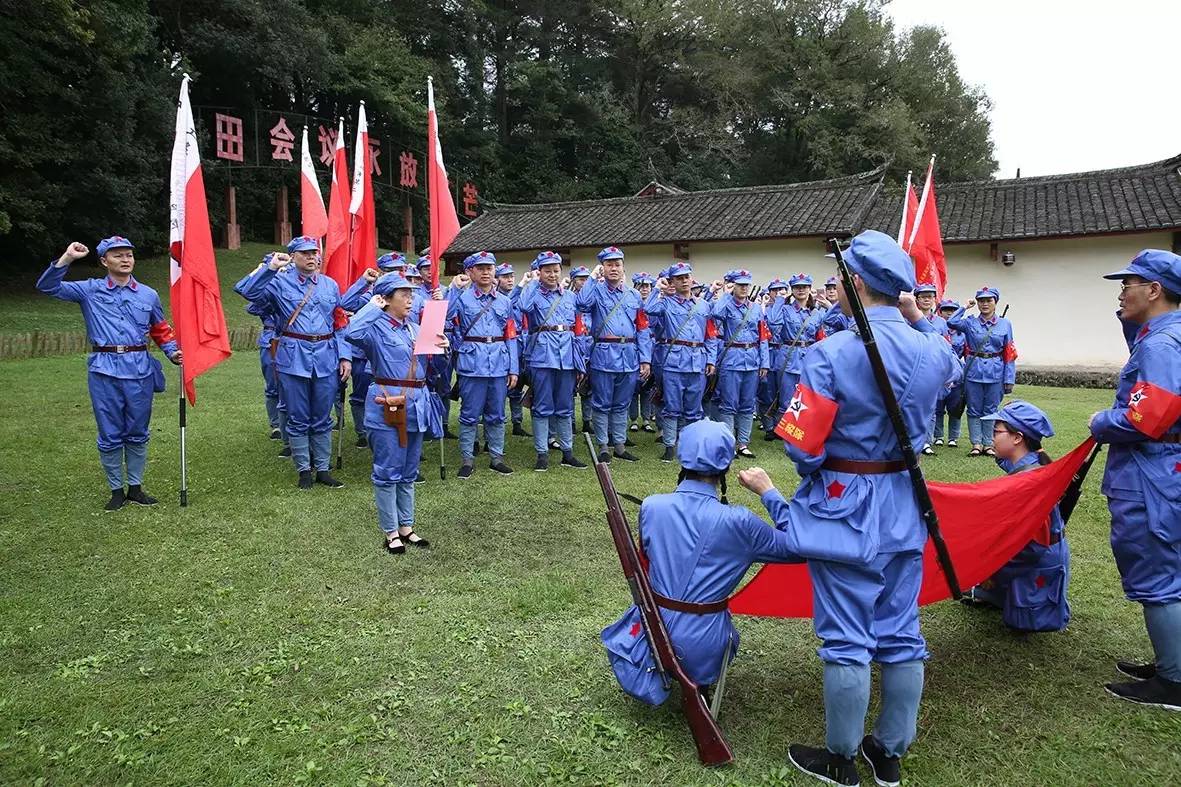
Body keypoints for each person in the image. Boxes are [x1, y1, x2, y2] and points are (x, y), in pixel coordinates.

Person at [739, 229, 961, 787]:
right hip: (904, 504)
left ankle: (840, 758)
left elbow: (800, 444)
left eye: (842, 278)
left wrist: (816, 472)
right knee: (902, 632)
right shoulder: (932, 347)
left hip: (844, 504)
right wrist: (917, 316)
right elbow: (950, 371)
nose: (836, 285)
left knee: (846, 637)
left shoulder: (828, 352)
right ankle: (889, 752)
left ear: (857, 282)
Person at [601, 419, 802, 704]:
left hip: (650, 630)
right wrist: (768, 491)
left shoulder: (652, 507)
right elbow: (801, 544)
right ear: (726, 467)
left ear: (682, 458)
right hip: (705, 642)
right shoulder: (741, 522)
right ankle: (699, 687)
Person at [1088, 249, 1181, 711]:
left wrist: (1101, 421)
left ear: (1155, 290)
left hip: (1151, 471)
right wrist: (1130, 320)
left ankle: (1173, 682)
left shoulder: (1162, 344)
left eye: (1130, 283)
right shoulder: (1165, 335)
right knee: (1169, 565)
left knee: (1157, 569)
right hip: (1164, 468)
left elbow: (1149, 417)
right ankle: (1172, 662)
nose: (1122, 291)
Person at [37, 237, 182, 510]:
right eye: (117, 256)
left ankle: (136, 487)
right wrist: (66, 258)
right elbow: (47, 287)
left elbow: (160, 329)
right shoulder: (89, 291)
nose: (125, 260)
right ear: (104, 261)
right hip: (104, 368)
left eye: (129, 255)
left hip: (139, 368)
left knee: (138, 430)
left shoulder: (148, 295)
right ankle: (116, 490)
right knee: (110, 431)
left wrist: (173, 352)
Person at [342, 273, 449, 553]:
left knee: (409, 469)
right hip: (387, 401)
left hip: (417, 402)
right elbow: (351, 333)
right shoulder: (374, 328)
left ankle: (407, 527)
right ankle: (390, 531)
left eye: (412, 294)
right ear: (386, 299)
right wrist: (371, 307)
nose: (410, 299)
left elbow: (432, 367)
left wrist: (443, 348)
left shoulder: (415, 328)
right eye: (403, 294)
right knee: (388, 469)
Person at [238, 235, 351, 489]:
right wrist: (270, 269)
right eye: (305, 253)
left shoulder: (329, 285)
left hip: (326, 353)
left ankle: (322, 469)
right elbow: (247, 292)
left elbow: (340, 322)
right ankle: (303, 470)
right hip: (293, 354)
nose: (312, 257)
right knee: (298, 415)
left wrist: (345, 356)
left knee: (322, 415)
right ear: (293, 257)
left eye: (314, 253)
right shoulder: (278, 283)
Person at [961, 401, 1071, 631]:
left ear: (1018, 438)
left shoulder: (1028, 483)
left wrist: (990, 568)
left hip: (1035, 561)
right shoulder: (1032, 463)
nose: (991, 436)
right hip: (1039, 557)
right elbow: (1006, 459)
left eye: (996, 431)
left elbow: (1033, 547)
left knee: (1022, 619)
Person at [575, 246, 653, 463]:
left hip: (629, 354)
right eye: (609, 265)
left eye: (617, 264)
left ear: (623, 267)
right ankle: (602, 445)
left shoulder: (634, 295)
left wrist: (645, 359)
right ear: (603, 267)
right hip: (603, 354)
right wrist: (592, 278)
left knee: (622, 402)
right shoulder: (596, 290)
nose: (614, 269)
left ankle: (619, 444)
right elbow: (581, 303)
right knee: (601, 402)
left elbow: (643, 328)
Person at [446, 251, 520, 478]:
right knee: (469, 414)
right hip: (472, 363)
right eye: (480, 268)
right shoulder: (461, 298)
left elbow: (511, 335)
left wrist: (513, 368)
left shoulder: (505, 301)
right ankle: (467, 459)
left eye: (489, 268)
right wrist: (455, 290)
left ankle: (496, 457)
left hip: (499, 362)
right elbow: (444, 317)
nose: (486, 272)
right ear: (470, 272)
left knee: (497, 413)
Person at [516, 251, 588, 471]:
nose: (552, 275)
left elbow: (578, 329)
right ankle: (542, 454)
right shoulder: (534, 294)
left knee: (566, 406)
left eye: (556, 270)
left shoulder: (569, 296)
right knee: (542, 406)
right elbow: (523, 307)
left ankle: (567, 452)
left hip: (566, 356)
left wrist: (580, 360)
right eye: (547, 271)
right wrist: (530, 282)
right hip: (542, 356)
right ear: (540, 272)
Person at [645, 262, 711, 462]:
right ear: (672, 281)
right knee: (672, 406)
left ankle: (689, 444)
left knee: (694, 408)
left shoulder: (703, 304)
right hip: (673, 361)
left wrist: (711, 359)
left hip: (697, 360)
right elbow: (649, 309)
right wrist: (659, 289)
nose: (684, 281)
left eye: (687, 277)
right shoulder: (665, 302)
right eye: (679, 278)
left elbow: (711, 334)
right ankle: (669, 446)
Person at [946, 286, 1016, 457]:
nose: (985, 304)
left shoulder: (1005, 324)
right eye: (981, 301)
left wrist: (1009, 378)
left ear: (995, 302)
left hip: (996, 371)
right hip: (974, 371)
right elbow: (951, 322)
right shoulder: (970, 322)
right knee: (974, 409)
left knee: (991, 409)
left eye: (988, 300)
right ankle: (976, 443)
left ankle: (988, 444)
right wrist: (964, 307)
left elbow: (1009, 352)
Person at [708, 269, 770, 459]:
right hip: (731, 358)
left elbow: (763, 336)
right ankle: (729, 443)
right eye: (740, 285)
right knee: (728, 404)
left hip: (752, 359)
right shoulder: (726, 305)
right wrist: (726, 294)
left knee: (747, 403)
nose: (743, 288)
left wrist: (764, 362)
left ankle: (743, 443)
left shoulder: (756, 308)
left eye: (746, 285)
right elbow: (714, 313)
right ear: (733, 286)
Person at [236, 254, 287, 451]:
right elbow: (243, 291)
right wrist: (263, 271)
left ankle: (290, 425)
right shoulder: (262, 290)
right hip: (270, 341)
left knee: (292, 386)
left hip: (291, 340)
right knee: (273, 385)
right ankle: (276, 424)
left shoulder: (289, 286)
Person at [770, 273, 826, 440]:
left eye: (804, 287)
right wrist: (779, 300)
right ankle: (787, 434)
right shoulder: (785, 309)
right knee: (787, 398)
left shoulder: (816, 312)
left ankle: (802, 433)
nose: (801, 290)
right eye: (797, 287)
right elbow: (773, 323)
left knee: (807, 398)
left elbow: (823, 333)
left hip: (809, 357)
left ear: (810, 289)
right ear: (792, 290)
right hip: (788, 355)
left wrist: (830, 306)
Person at [495, 262, 530, 439]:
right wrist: (521, 285)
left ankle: (517, 422)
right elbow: (510, 301)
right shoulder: (499, 298)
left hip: (520, 343)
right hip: (504, 345)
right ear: (497, 280)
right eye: (505, 277)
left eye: (511, 277)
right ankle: (498, 424)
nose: (509, 280)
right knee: (501, 389)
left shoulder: (520, 296)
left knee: (518, 387)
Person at [913, 283, 949, 455]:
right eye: (923, 297)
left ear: (935, 299)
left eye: (930, 296)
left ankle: (927, 441)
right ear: (917, 300)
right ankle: (914, 439)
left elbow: (947, 347)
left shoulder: (941, 323)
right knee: (913, 405)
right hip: (914, 366)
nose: (927, 300)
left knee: (932, 406)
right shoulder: (908, 320)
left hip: (934, 367)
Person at [758, 278, 790, 438]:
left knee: (784, 390)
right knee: (767, 389)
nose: (778, 294)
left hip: (784, 352)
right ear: (769, 292)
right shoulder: (766, 309)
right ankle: (769, 425)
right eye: (774, 290)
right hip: (768, 351)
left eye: (781, 290)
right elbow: (770, 325)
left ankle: (781, 425)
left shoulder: (789, 309)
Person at [629, 272, 660, 434]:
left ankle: (647, 418)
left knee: (648, 386)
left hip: (653, 346)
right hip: (635, 346)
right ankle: (633, 419)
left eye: (648, 286)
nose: (645, 289)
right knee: (634, 386)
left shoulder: (655, 302)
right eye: (641, 286)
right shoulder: (631, 302)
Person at [933, 299, 966, 448]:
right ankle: (938, 435)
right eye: (946, 310)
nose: (949, 313)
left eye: (953, 310)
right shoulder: (935, 329)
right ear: (940, 311)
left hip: (957, 372)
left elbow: (967, 352)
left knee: (955, 407)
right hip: (940, 371)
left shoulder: (963, 333)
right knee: (938, 407)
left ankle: (953, 437)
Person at [569, 265, 595, 435]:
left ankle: (587, 420)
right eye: (580, 279)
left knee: (589, 389)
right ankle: (570, 422)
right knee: (569, 390)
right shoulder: (569, 299)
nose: (584, 282)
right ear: (574, 281)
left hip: (591, 348)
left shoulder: (592, 301)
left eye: (587, 279)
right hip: (573, 348)